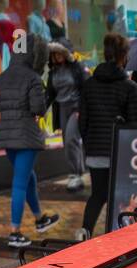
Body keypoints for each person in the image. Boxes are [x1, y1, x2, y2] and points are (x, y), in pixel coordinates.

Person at [0, 32, 60, 248]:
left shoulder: (1, 79)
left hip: (8, 139)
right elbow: (38, 110)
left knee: (27, 176)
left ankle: (40, 219)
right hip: (27, 138)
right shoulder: (32, 78)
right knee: (20, 182)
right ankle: (15, 231)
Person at [78, 33, 137, 238]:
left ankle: (85, 232)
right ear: (124, 56)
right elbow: (136, 125)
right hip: (122, 154)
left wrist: (90, 143)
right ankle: (120, 237)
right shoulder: (129, 87)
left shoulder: (89, 85)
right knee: (122, 197)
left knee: (98, 194)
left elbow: (83, 122)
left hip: (96, 151)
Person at [46, 40, 88, 191]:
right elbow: (50, 94)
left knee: (71, 139)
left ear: (65, 53)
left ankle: (74, 175)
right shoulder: (53, 73)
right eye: (54, 54)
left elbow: (86, 88)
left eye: (59, 53)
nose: (56, 56)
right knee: (68, 142)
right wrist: (39, 111)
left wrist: (81, 110)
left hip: (76, 109)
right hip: (62, 109)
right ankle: (79, 172)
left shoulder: (77, 68)